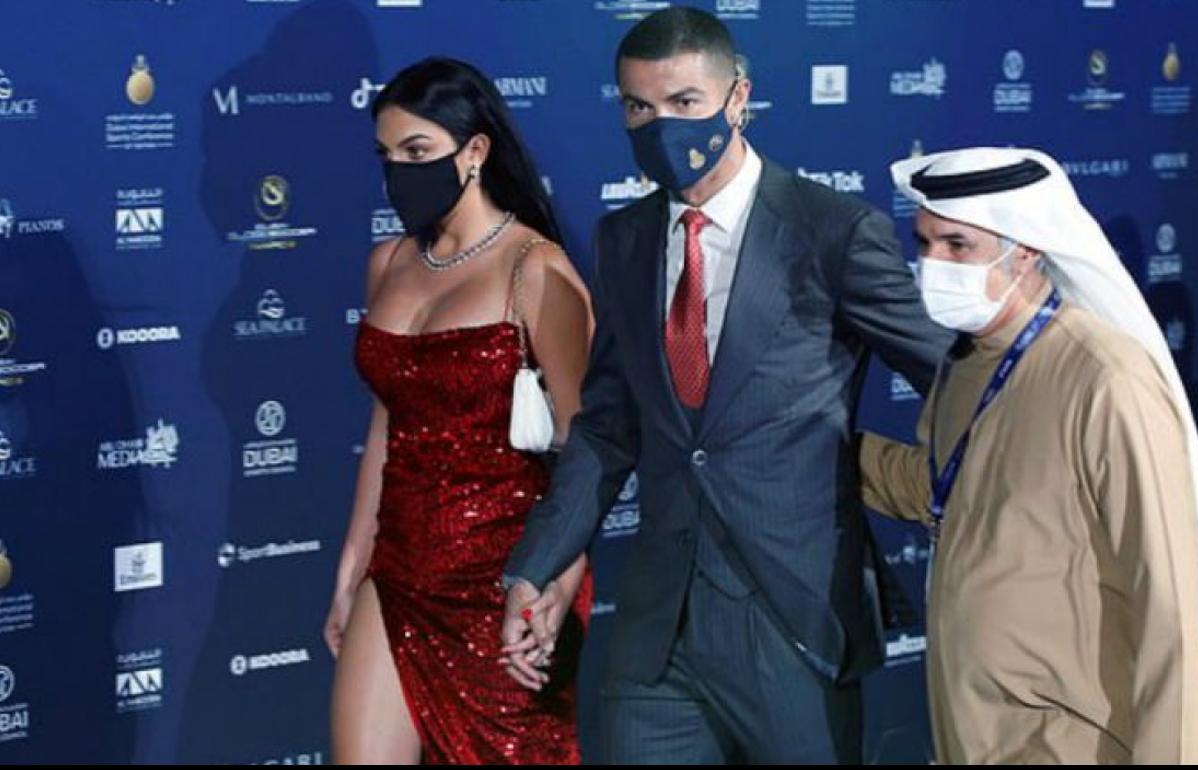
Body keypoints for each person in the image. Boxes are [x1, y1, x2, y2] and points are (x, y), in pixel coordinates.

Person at [498, 7, 953, 764]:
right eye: (639, 107)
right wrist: (536, 565)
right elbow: (609, 426)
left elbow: (949, 375)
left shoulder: (832, 229)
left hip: (794, 620)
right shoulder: (625, 239)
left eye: (684, 104)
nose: (660, 125)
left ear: (738, 100)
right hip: (657, 630)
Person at [859, 145, 1198, 763]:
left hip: (1072, 741)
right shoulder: (966, 365)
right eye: (925, 243)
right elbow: (946, 490)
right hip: (975, 731)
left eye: (958, 247)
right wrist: (821, 447)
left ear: (1027, 254)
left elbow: (1165, 603)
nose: (933, 264)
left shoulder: (1106, 378)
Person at [324, 57, 594, 764]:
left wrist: (555, 585)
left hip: (506, 586)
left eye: (417, 153)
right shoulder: (388, 264)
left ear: (475, 151)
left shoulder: (537, 272)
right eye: (387, 156)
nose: (398, 173)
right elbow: (389, 421)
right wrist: (353, 565)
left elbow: (586, 455)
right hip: (400, 573)